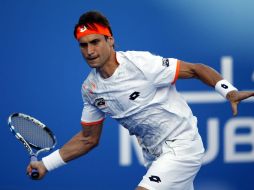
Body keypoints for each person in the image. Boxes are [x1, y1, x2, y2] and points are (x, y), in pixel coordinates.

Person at [27, 10, 254, 190]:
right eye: (83, 45)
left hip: (182, 146)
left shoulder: (141, 64)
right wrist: (46, 164)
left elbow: (195, 69)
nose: (89, 50)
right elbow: (88, 139)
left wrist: (229, 92)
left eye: (95, 42)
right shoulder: (90, 89)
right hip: (154, 156)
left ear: (110, 40)